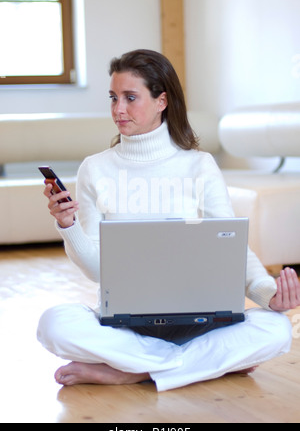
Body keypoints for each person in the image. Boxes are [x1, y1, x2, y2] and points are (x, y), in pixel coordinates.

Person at [37, 49, 299, 392]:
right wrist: (68, 226)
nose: (118, 109)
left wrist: (268, 294)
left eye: (131, 98)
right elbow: (98, 270)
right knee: (53, 324)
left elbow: (233, 250)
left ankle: (135, 370)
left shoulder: (199, 165)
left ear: (162, 101)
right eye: (114, 98)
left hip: (201, 319)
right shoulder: (95, 169)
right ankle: (197, 364)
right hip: (125, 324)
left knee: (277, 329)